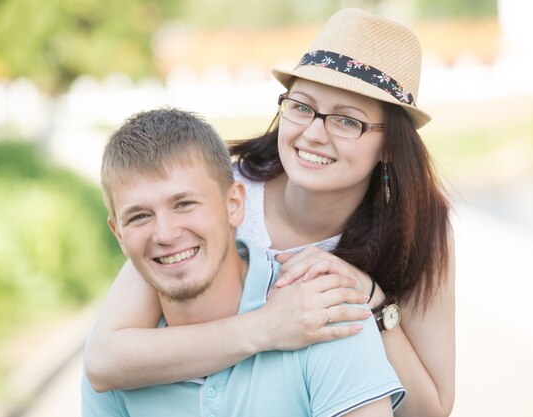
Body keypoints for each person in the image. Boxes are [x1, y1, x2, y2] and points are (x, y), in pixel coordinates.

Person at [85, 8, 455, 417]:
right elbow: (105, 359)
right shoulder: (217, 196)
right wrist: (267, 328)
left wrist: (370, 302)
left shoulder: (418, 227)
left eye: (347, 122)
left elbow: (430, 411)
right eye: (301, 107)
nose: (313, 133)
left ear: (389, 145)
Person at [82, 107, 405, 416]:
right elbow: (99, 365)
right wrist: (265, 328)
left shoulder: (323, 311)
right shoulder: (121, 366)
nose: (165, 234)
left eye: (184, 204)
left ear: (235, 204)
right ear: (119, 234)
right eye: (139, 216)